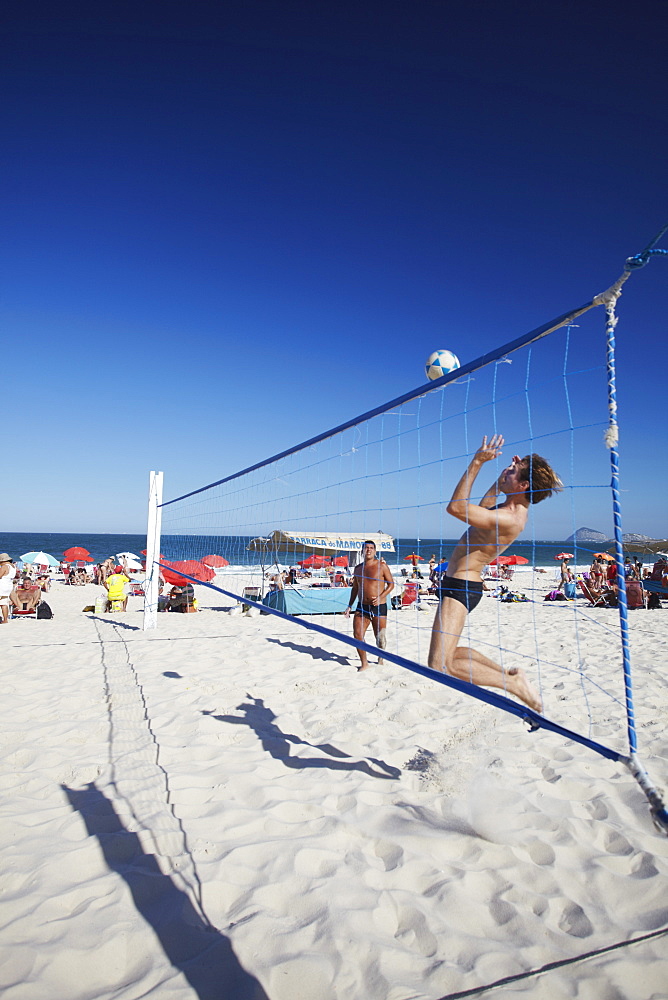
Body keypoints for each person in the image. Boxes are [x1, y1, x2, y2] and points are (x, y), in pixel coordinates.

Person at [428, 434, 562, 712]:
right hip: (461, 584)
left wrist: (477, 461)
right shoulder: (507, 507)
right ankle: (512, 676)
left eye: (512, 472)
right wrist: (502, 480)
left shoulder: (510, 518)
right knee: (450, 654)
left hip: (461, 586)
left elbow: (456, 508)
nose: (507, 469)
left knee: (440, 664)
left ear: (523, 485)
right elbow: (483, 507)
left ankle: (512, 685)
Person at [344, 540, 395, 671]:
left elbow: (391, 584)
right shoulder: (358, 568)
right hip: (362, 606)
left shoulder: (381, 566)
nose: (369, 550)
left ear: (375, 551)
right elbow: (355, 588)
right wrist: (349, 605)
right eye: (366, 548)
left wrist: (381, 597)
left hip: (379, 606)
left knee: (380, 638)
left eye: (371, 548)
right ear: (362, 550)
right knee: (357, 635)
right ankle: (364, 663)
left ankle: (381, 658)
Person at [0, 554, 16, 624]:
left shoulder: (5, 566)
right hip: (8, 586)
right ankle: (5, 619)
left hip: (2, 586)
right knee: (4, 603)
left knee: (3, 603)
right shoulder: (13, 566)